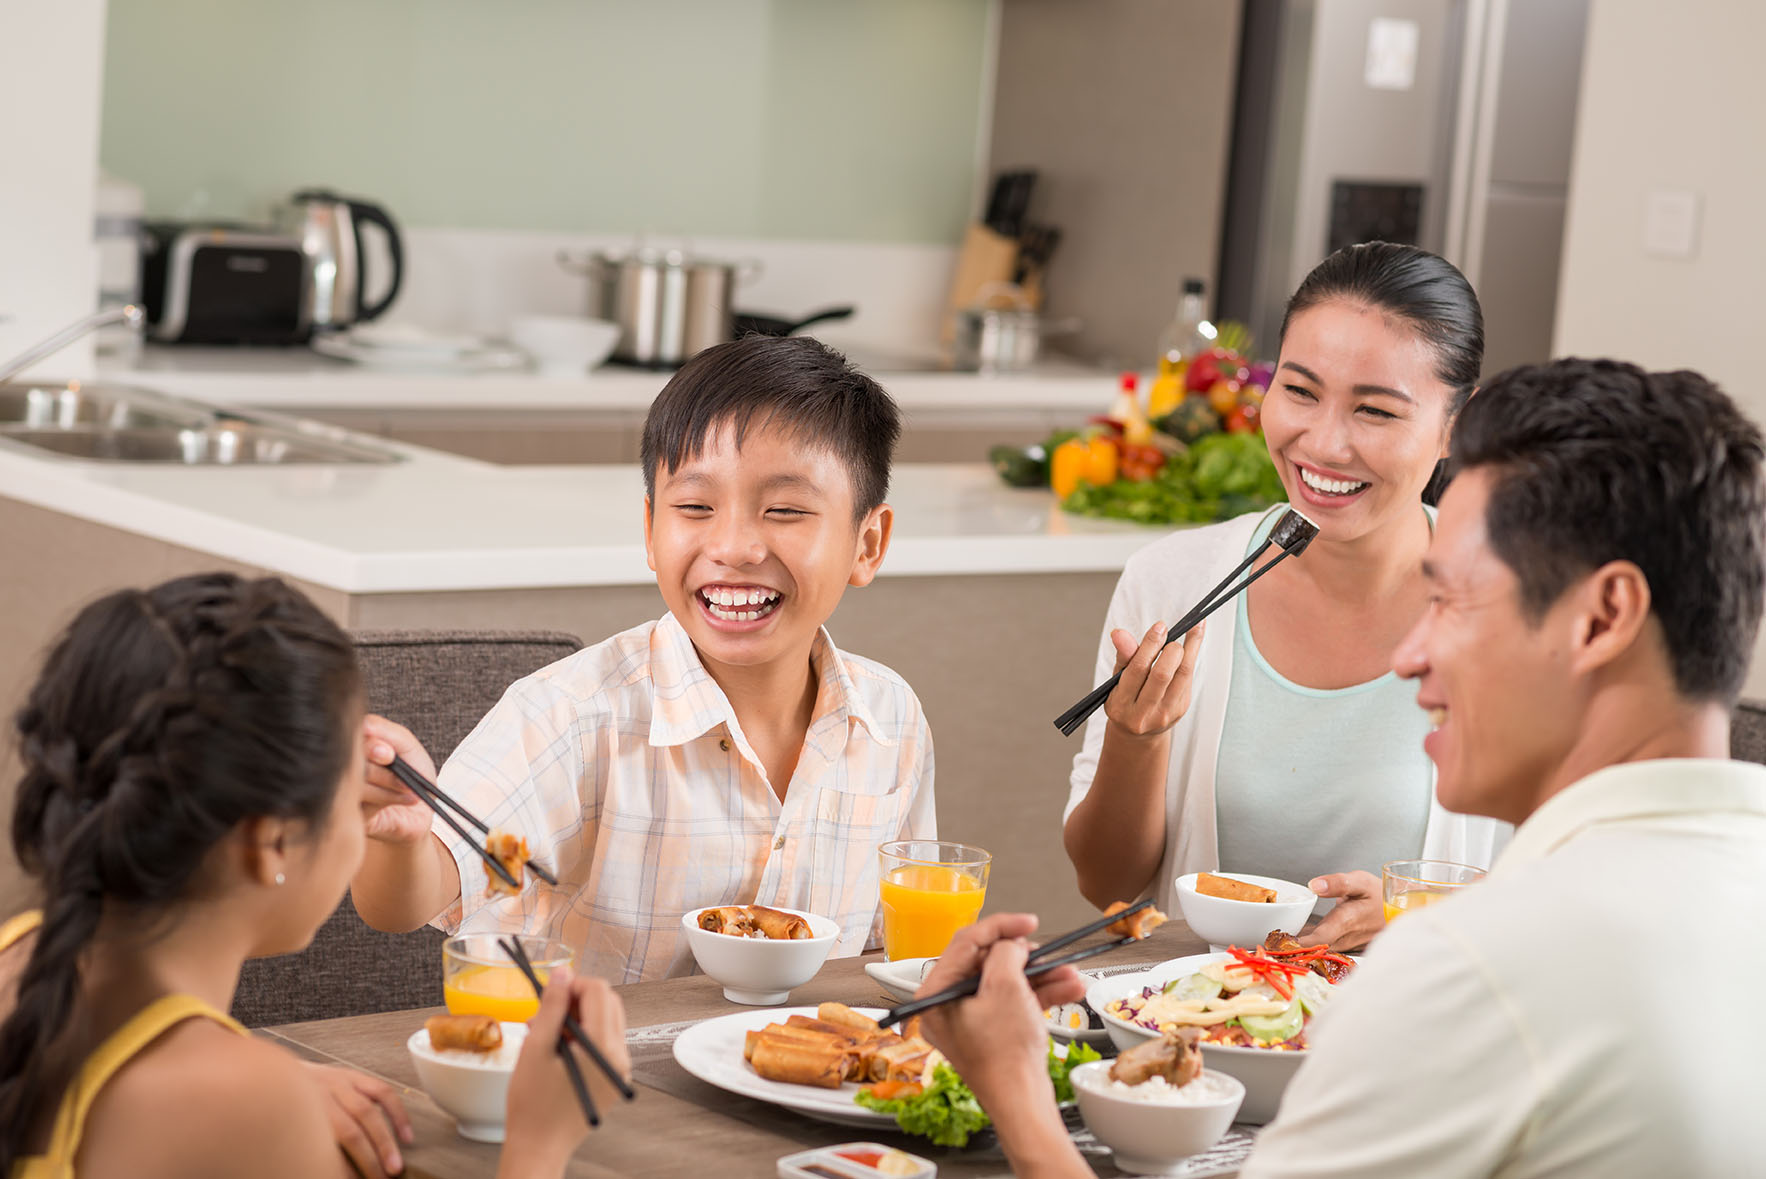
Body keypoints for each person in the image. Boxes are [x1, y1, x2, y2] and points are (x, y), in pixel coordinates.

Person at [922, 358, 1766, 1178]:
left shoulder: (1475, 965)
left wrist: (1015, 1092)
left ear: (1603, 616)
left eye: (1453, 599)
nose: (1412, 654)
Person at [0, 573, 629, 1179]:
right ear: (273, 843)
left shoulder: (21, 958)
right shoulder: (246, 1107)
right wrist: (540, 1141)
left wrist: (265, 1075)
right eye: (348, 794)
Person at [350, 335, 936, 982]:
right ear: (652, 530)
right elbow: (405, 902)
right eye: (694, 507)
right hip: (578, 1072)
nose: (734, 545)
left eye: (785, 510)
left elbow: (898, 949)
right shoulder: (570, 713)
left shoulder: (891, 718)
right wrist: (402, 836)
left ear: (868, 543)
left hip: (797, 1076)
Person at [1064, 242, 1508, 950]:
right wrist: (1135, 735)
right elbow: (1109, 884)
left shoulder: (1512, 610)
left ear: (1458, 424)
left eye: (1377, 412)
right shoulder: (1173, 580)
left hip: (1412, 1033)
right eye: (1300, 392)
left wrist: (1420, 908)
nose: (1324, 444)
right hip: (1200, 1033)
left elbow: (1592, 879)